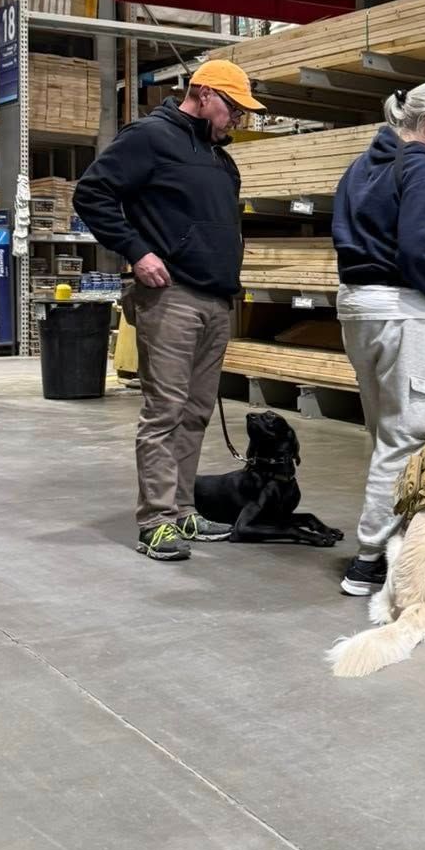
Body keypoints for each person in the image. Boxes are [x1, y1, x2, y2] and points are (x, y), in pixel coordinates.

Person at [74, 58, 261, 563]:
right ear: (202, 93)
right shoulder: (151, 137)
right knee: (165, 411)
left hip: (216, 299)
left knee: (197, 412)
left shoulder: (220, 158)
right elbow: (92, 193)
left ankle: (180, 509)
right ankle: (154, 520)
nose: (238, 119)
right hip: (172, 295)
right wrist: (136, 250)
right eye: (233, 107)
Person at [330, 79, 425, 597]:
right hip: (402, 309)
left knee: (383, 431)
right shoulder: (419, 165)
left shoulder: (362, 165)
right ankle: (371, 560)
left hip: (357, 305)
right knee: (407, 434)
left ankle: (389, 539)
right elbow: (422, 248)